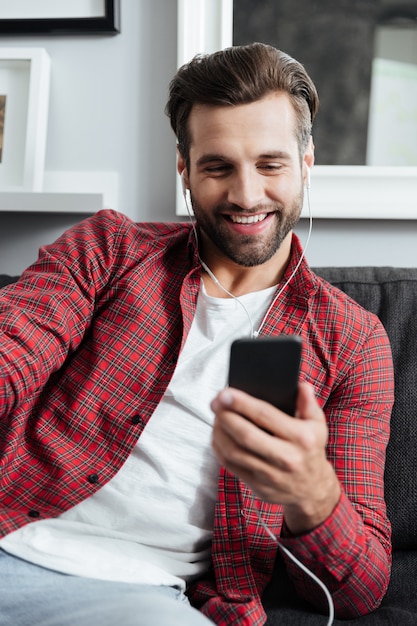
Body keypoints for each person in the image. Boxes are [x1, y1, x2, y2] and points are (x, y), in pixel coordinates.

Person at [0, 43, 394, 626]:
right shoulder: (108, 251)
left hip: (136, 600)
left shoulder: (352, 339)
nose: (245, 195)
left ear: (306, 162)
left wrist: (311, 491)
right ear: (184, 167)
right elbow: (13, 350)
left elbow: (363, 590)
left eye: (269, 164)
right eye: (218, 167)